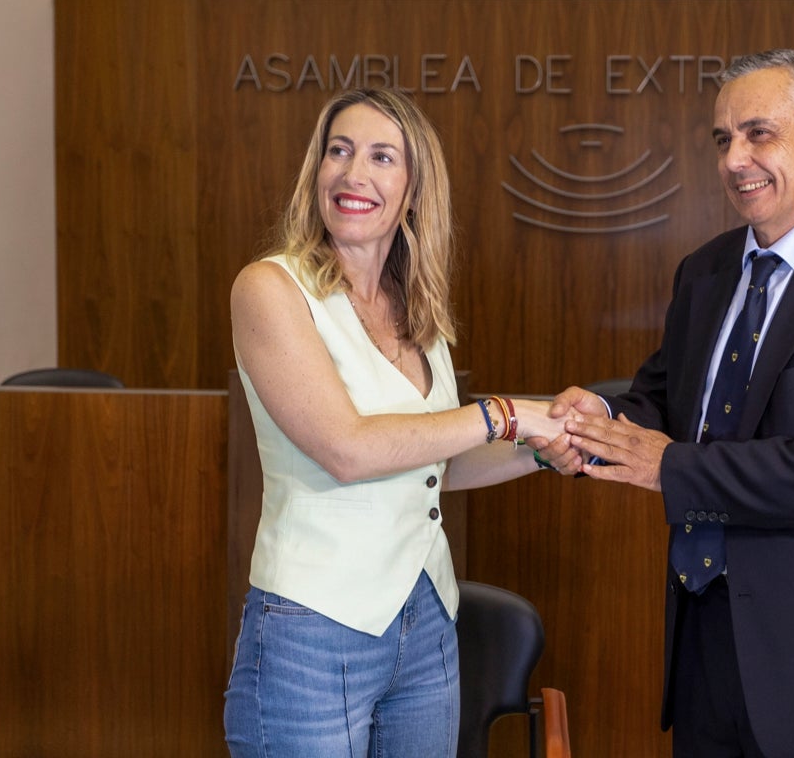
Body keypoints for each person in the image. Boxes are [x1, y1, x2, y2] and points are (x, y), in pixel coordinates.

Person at [539, 49, 794, 757]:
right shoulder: (705, 271)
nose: (735, 159)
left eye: (760, 134)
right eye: (724, 139)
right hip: (706, 647)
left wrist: (669, 467)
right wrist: (593, 429)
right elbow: (664, 403)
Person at [223, 87, 569, 757]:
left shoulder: (414, 310)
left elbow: (434, 463)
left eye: (382, 157)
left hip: (425, 622)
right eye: (339, 152)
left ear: (412, 190)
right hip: (312, 630)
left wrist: (546, 445)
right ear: (316, 172)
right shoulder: (270, 288)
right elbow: (347, 450)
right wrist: (501, 414)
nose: (355, 175)